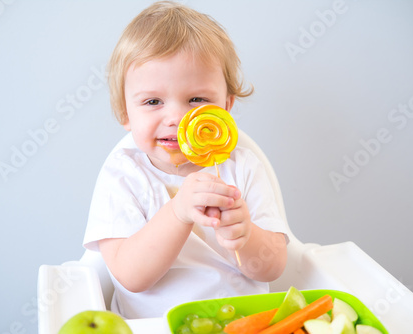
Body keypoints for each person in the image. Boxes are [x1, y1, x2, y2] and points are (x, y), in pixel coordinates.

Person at [83, 1, 288, 319]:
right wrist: (179, 212)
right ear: (125, 112)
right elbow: (130, 276)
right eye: (153, 101)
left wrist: (246, 235)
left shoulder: (243, 169)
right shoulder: (122, 176)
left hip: (242, 322)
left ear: (226, 106)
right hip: (155, 325)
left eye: (197, 99)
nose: (177, 117)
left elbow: (273, 268)